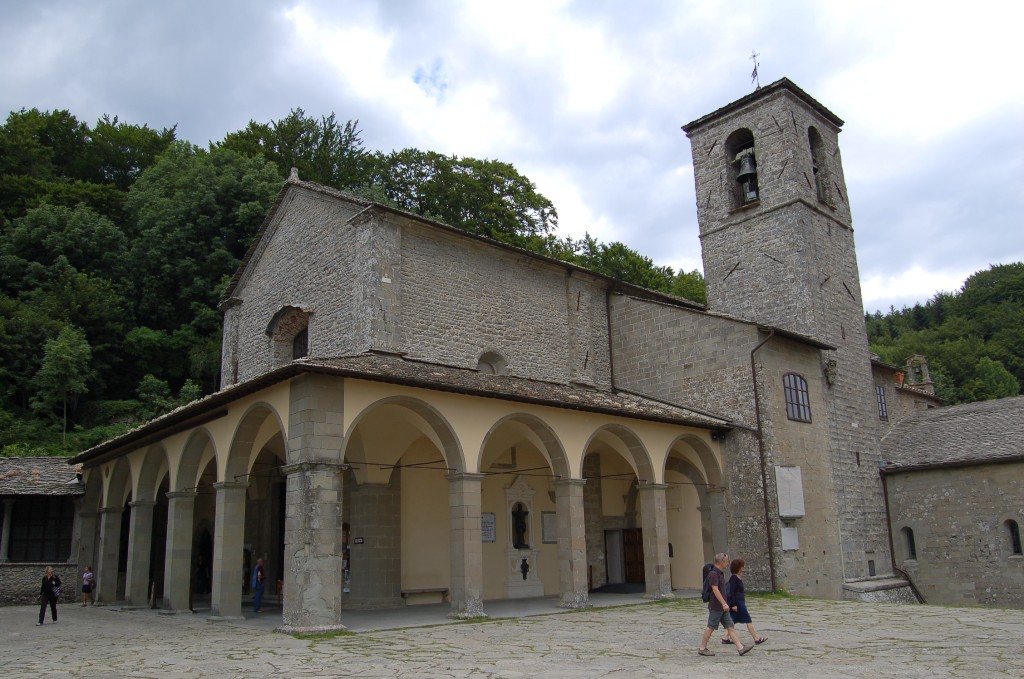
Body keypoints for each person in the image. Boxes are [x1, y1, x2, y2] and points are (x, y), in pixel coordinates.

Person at [697, 553, 752, 657]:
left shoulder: (720, 573)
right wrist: (723, 603)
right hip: (717, 606)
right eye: (726, 561)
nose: (728, 563)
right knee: (711, 626)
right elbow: (715, 590)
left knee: (730, 626)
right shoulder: (713, 574)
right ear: (722, 562)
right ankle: (702, 648)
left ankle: (740, 648)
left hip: (723, 607)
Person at [722, 558, 767, 646]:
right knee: (748, 619)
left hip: (740, 601)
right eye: (742, 565)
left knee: (732, 620)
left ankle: (725, 637)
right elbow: (732, 592)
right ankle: (756, 638)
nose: (744, 567)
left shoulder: (738, 577)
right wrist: (734, 604)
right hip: (738, 602)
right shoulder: (734, 578)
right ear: (739, 567)